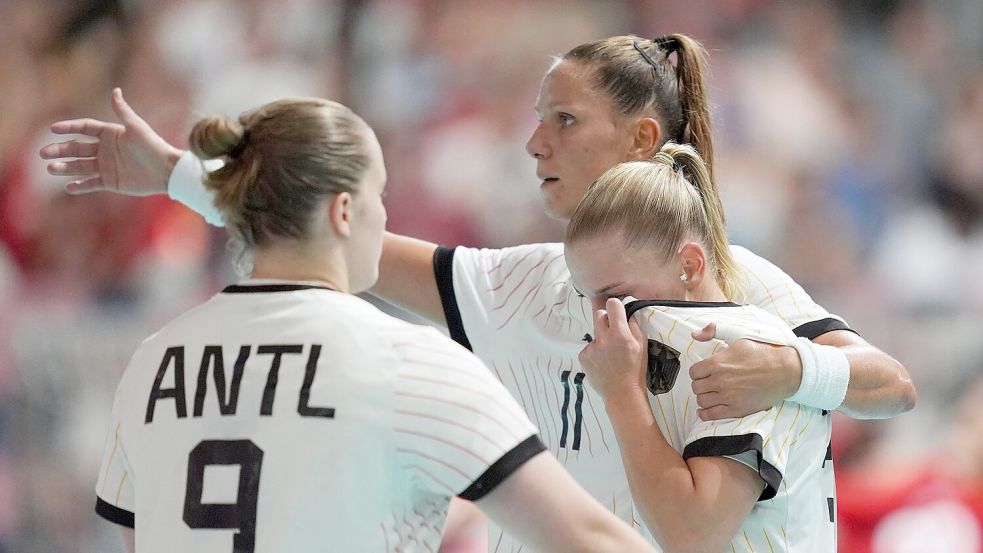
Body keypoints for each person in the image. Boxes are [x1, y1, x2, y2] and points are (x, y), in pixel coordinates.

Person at [41, 33, 915, 550]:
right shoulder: (518, 281)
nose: (533, 141)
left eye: (563, 121)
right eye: (535, 116)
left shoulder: (727, 287)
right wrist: (184, 180)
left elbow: (889, 384)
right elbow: (343, 240)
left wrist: (788, 368)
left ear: (642, 138)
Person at [88, 94, 656, 553]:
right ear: (342, 211)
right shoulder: (409, 363)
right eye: (377, 196)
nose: (384, 215)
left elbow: (146, 535)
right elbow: (583, 538)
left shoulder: (153, 361)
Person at [567, 142, 836, 552]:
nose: (603, 320)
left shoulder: (744, 353)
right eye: (588, 298)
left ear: (689, 267)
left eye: (616, 297)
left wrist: (622, 393)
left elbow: (692, 536)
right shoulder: (657, 347)